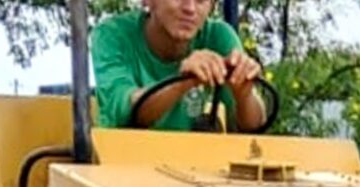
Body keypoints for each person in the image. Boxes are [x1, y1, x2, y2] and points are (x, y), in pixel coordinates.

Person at [92, 0, 266, 132]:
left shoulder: (219, 37)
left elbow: (254, 128)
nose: (190, 8)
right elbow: (125, 115)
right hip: (122, 164)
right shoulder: (113, 35)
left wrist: (244, 95)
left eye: (201, 0)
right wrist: (181, 83)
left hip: (195, 168)